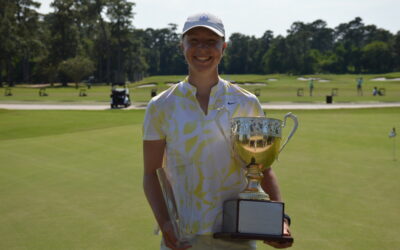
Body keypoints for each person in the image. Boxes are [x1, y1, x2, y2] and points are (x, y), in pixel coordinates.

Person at [143, 13, 292, 250]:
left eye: (211, 41)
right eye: (194, 40)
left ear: (223, 47)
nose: (202, 49)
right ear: (182, 45)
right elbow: (151, 173)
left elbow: (263, 168)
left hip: (237, 233)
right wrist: (164, 223)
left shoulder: (246, 102)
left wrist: (279, 221)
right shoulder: (161, 106)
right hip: (184, 236)